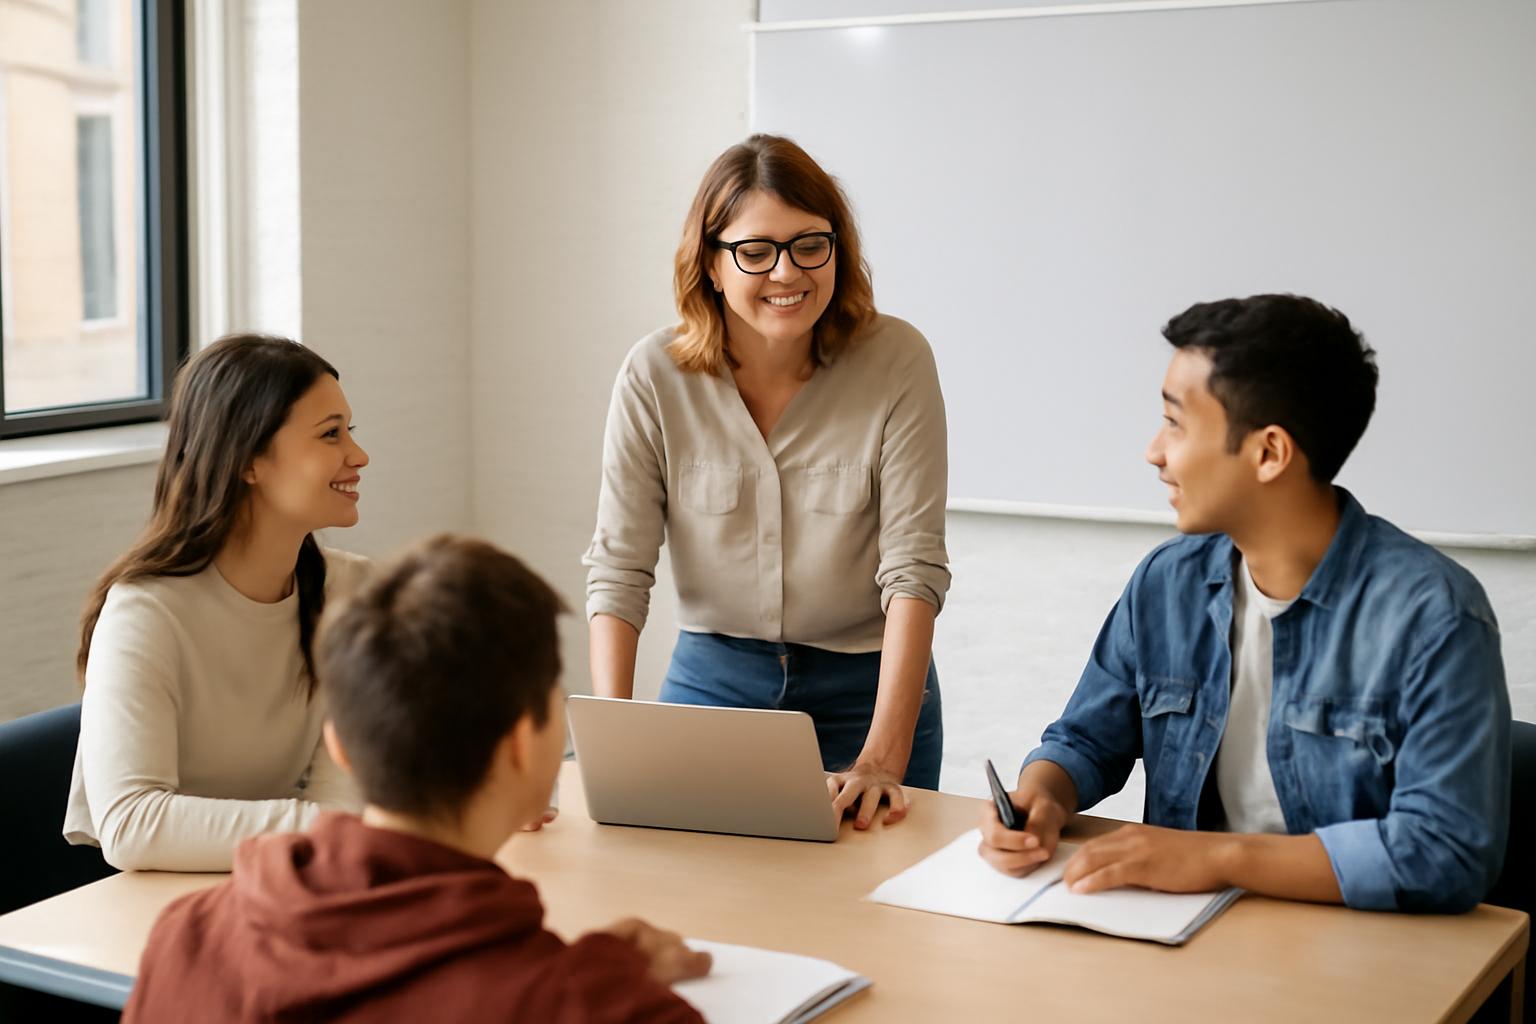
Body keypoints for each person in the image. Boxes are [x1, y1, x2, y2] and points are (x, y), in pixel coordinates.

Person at [980, 295, 1510, 912]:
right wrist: (1043, 795)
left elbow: (1445, 853)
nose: (1154, 451)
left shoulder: (1434, 616)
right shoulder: (1166, 582)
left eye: (1176, 423)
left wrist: (1215, 858)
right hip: (1179, 932)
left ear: (1269, 453)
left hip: (1350, 949)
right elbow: (1085, 741)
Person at [124, 536, 710, 1023]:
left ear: (340, 746)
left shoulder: (184, 939)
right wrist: (607, 983)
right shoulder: (602, 1009)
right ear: (524, 745)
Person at [584, 134, 950, 828]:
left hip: (867, 689)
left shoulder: (897, 359)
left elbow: (914, 568)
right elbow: (620, 568)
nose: (787, 272)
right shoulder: (654, 375)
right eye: (756, 251)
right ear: (712, 265)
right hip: (713, 683)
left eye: (810, 244)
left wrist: (882, 755)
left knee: (869, 915)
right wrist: (614, 737)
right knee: (700, 897)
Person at [65, 334, 372, 871]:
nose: (358, 455)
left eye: (350, 431)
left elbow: (338, 797)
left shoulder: (355, 593)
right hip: (157, 914)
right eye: (331, 435)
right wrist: (342, 831)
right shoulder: (145, 612)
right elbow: (133, 825)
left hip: (294, 888)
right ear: (248, 461)